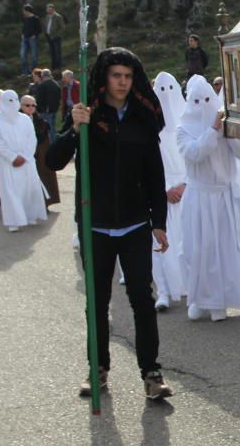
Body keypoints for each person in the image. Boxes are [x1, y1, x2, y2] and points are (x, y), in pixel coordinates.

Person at [46, 48, 173, 400]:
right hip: (95, 225)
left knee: (142, 301)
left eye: (128, 76)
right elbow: (53, 161)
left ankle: (152, 373)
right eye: (116, 75)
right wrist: (74, 129)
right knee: (97, 302)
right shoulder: (88, 115)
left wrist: (158, 222)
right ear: (104, 78)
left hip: (133, 224)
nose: (122, 82)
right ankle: (97, 369)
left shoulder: (142, 120)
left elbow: (154, 175)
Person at [177, 75, 240, 322]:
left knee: (226, 248)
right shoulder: (182, 129)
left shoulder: (226, 127)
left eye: (208, 99)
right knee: (198, 249)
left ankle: (221, 301)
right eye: (197, 100)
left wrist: (232, 134)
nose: (203, 105)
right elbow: (194, 153)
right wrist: (213, 131)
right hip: (199, 198)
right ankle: (199, 298)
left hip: (225, 197)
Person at [150, 72, 188, 311]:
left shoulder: (188, 126)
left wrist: (185, 185)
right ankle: (163, 290)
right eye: (160, 91)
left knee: (187, 242)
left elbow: (197, 161)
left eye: (170, 90)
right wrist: (163, 191)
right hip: (159, 193)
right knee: (160, 243)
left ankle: (190, 285)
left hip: (187, 191)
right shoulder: (148, 130)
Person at [0, 90, 48, 232]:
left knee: (29, 189)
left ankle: (31, 215)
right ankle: (14, 221)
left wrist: (25, 156)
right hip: (7, 163)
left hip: (26, 161)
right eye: (9, 100)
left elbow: (31, 139)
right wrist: (12, 157)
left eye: (14, 100)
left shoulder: (25, 119)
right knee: (10, 191)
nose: (12, 103)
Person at [19, 94, 60, 206]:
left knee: (43, 177)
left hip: (39, 155)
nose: (31, 107)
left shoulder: (40, 120)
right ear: (21, 106)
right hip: (23, 156)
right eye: (27, 105)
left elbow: (44, 138)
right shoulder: (15, 121)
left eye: (33, 105)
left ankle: (44, 203)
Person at [33, 68, 61, 138]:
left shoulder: (42, 85)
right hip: (54, 110)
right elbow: (59, 97)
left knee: (46, 130)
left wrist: (38, 111)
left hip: (45, 111)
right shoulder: (56, 84)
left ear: (42, 75)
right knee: (52, 129)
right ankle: (55, 144)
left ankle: (51, 146)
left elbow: (39, 100)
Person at [44, 4, 65, 71]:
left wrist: (57, 35)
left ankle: (58, 67)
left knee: (57, 53)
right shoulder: (47, 17)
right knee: (52, 53)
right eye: (47, 9)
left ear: (53, 9)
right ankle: (53, 67)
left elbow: (62, 28)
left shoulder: (58, 17)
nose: (48, 11)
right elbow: (46, 26)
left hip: (56, 37)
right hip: (49, 37)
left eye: (50, 9)